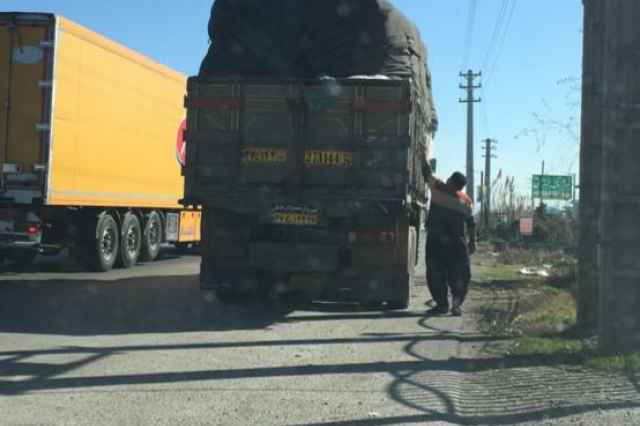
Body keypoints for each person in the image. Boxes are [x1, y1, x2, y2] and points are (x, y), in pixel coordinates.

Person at [422, 161, 476, 316]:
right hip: (457, 244)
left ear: (450, 180)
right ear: (461, 187)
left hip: (436, 242)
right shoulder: (466, 201)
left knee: (435, 274)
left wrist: (422, 157)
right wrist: (473, 242)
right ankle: (457, 304)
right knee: (460, 274)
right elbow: (471, 223)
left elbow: (426, 173)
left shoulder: (439, 188)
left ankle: (442, 304)